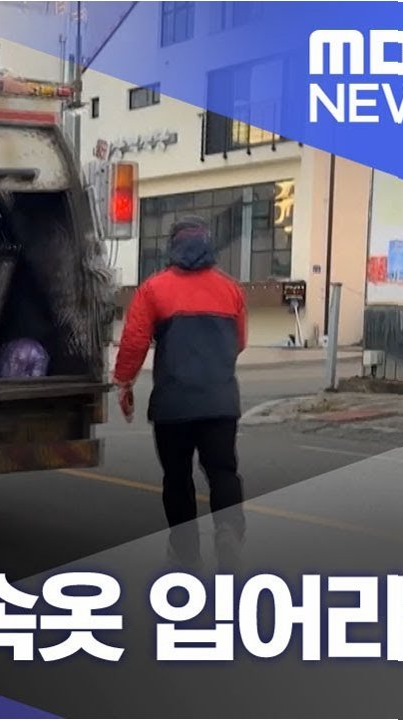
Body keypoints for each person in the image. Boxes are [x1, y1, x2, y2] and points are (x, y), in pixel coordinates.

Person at [112, 216, 247, 568]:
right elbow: (240, 342)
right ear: (209, 244)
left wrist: (124, 382)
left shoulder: (153, 289)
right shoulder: (230, 289)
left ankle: (186, 551)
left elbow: (134, 342)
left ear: (172, 246)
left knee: (177, 478)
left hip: (173, 405)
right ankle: (228, 531)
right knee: (223, 471)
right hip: (220, 402)